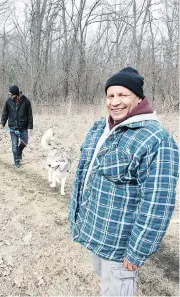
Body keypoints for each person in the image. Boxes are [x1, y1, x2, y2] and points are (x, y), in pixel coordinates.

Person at [69, 67, 179, 296]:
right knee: (104, 282)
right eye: (110, 96)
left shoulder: (156, 139)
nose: (115, 102)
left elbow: (157, 205)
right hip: (98, 233)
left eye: (123, 95)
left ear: (139, 98)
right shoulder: (103, 128)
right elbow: (85, 176)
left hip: (121, 245)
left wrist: (137, 251)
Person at [0, 85, 33, 168]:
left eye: (11, 94)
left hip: (23, 126)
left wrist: (30, 127)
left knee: (24, 142)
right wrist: (2, 123)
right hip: (12, 127)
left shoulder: (26, 101)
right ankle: (16, 162)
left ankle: (19, 152)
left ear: (16, 94)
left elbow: (30, 115)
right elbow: (5, 113)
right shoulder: (8, 101)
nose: (10, 96)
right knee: (14, 145)